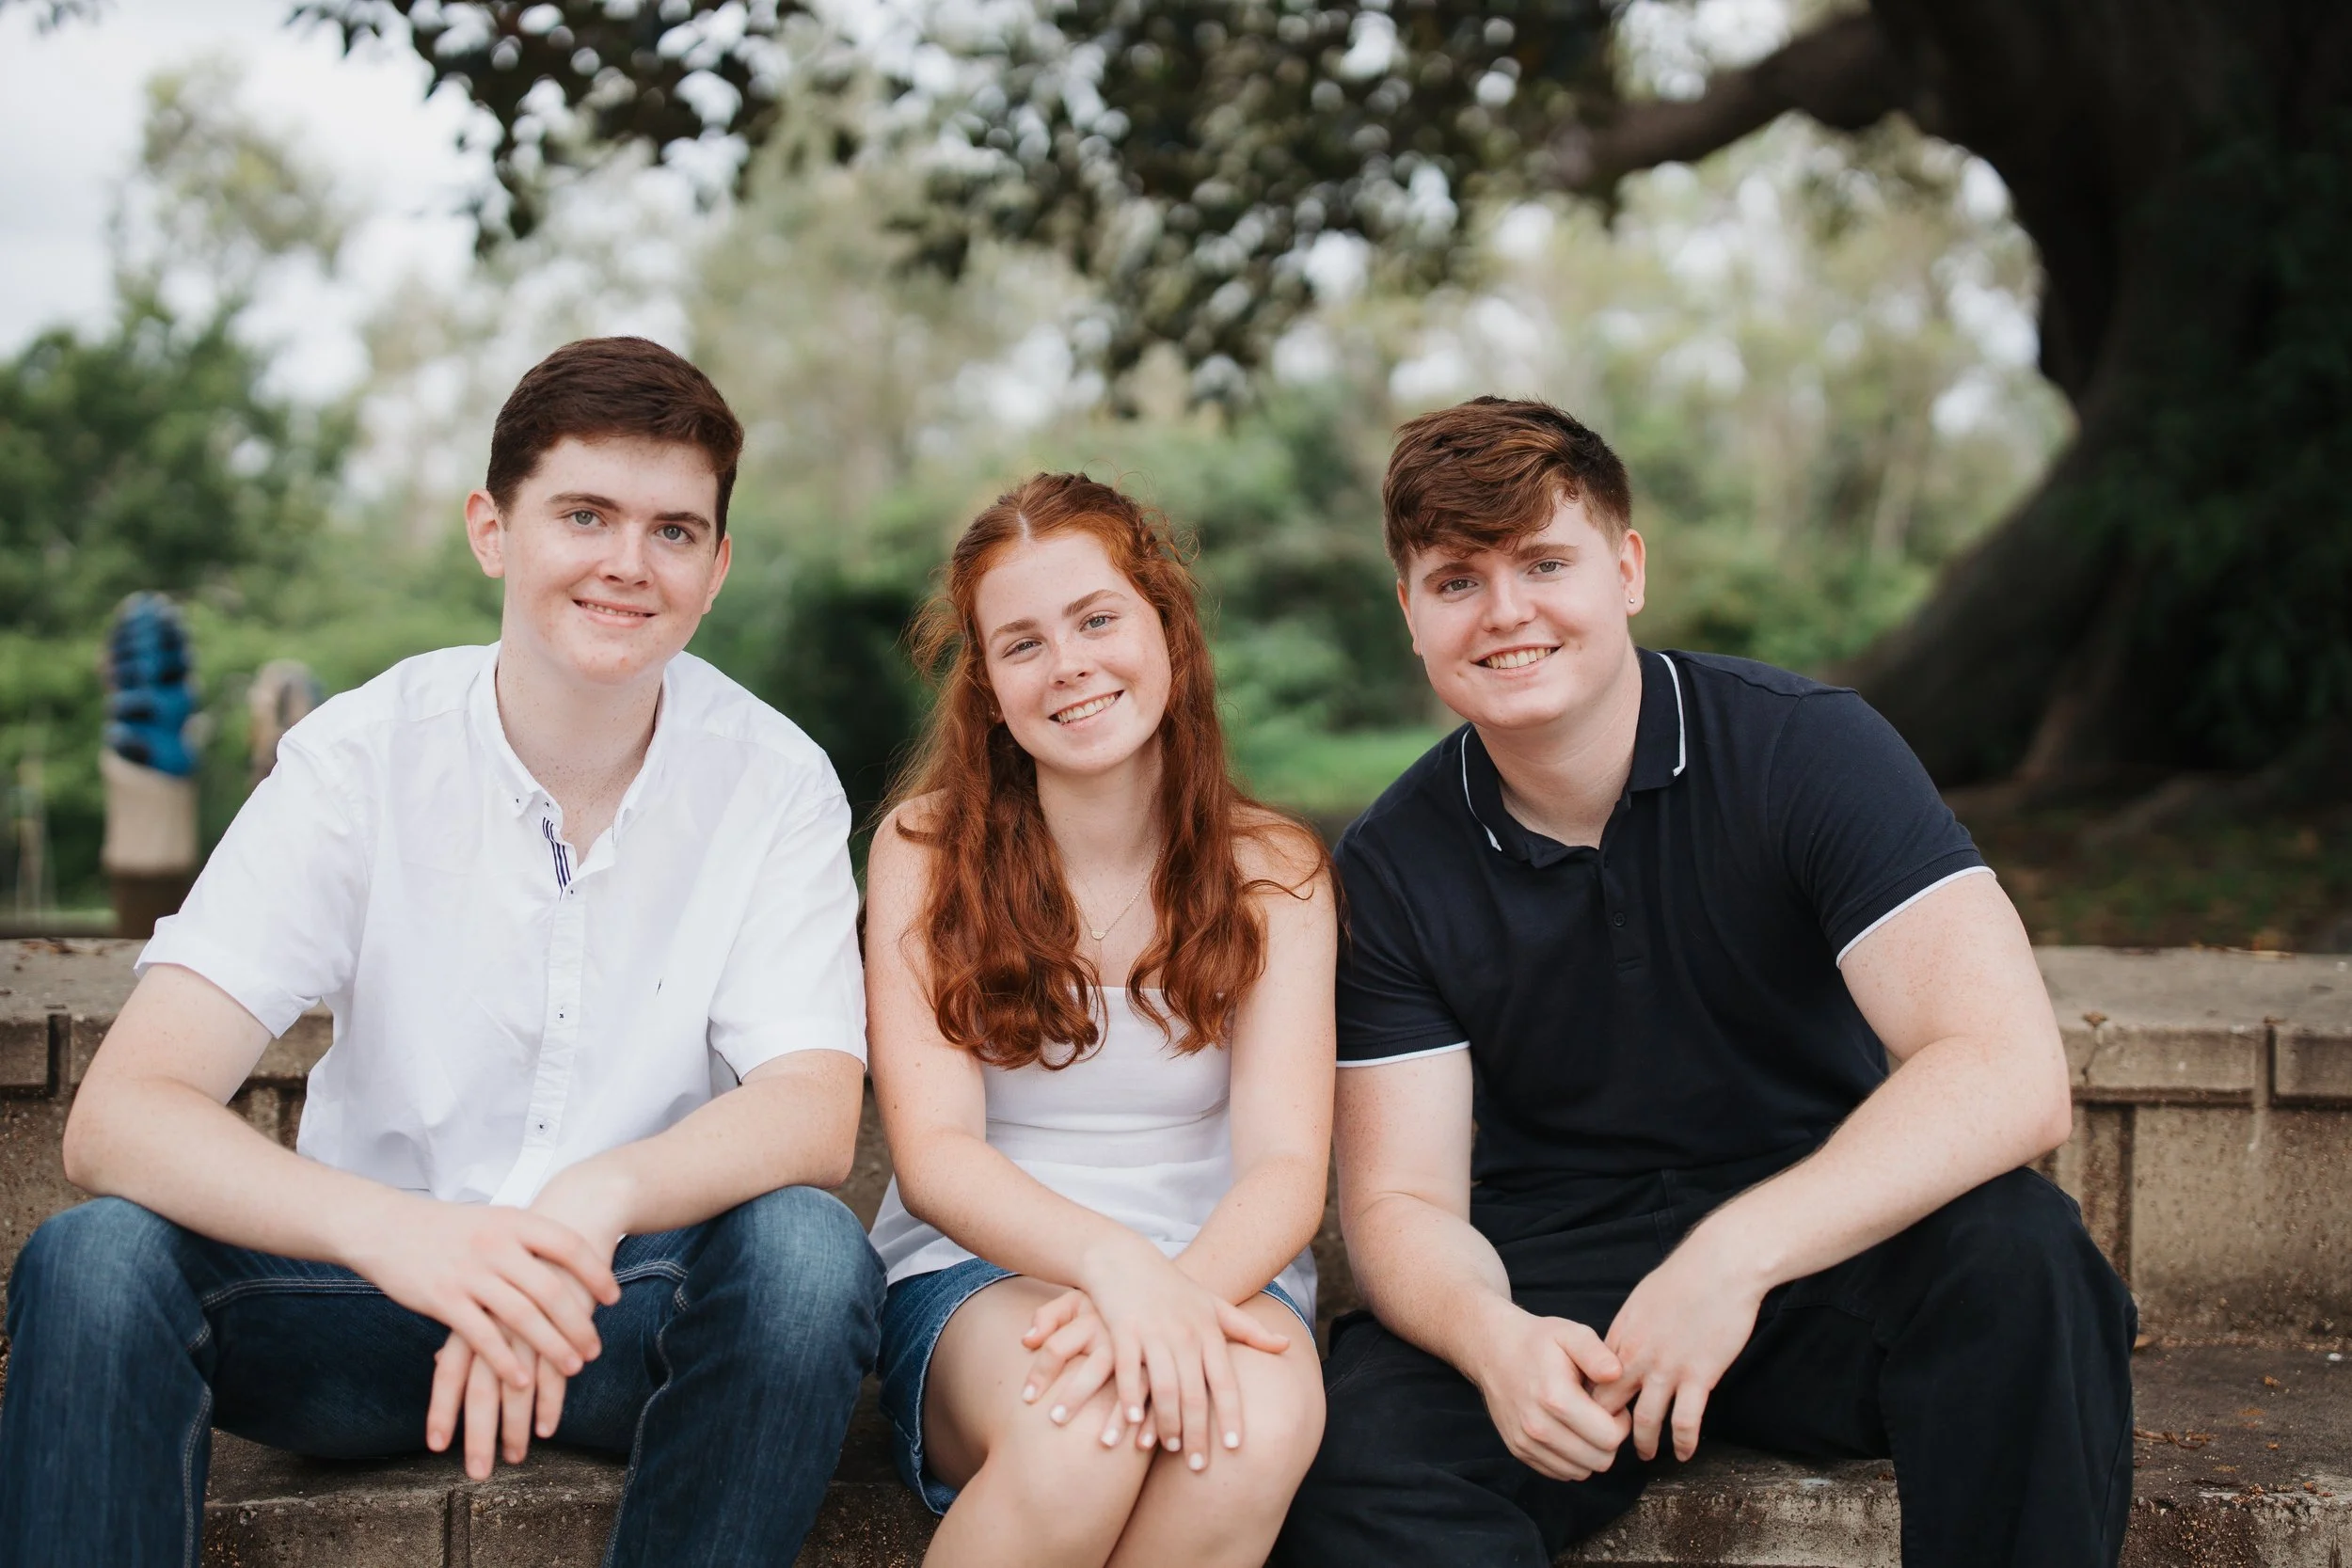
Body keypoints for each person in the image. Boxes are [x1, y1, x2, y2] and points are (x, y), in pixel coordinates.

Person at [0, 338, 882, 1568]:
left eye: (675, 530)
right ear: (492, 528)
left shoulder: (774, 776)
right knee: (93, 1257)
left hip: (617, 1317)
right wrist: (410, 1235)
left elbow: (809, 1108)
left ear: (718, 565)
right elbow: (120, 1118)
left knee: (804, 1253)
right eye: (585, 514)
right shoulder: (361, 757)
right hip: (362, 1314)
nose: (630, 562)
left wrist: (589, 1201)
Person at [1275, 398, 2137, 1568]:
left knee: (2025, 1262)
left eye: (1543, 561)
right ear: (1411, 617)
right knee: (1347, 1461)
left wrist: (1732, 1257)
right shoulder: (1391, 861)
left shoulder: (1806, 748)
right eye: (1457, 580)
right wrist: (1491, 1338)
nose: (1506, 610)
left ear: (1626, 568)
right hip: (1553, 1286)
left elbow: (2009, 1072)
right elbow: (1401, 1208)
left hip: (1818, 1245)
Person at [864, 473, 1335, 1568]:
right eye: (1021, 642)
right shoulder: (924, 852)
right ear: (986, 685)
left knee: (1250, 1429)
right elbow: (935, 1155)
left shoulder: (1274, 871)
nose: (1068, 663)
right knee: (1080, 1430)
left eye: (1095, 618)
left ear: (1164, 628)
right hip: (980, 1267)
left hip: (1224, 1265)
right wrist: (1112, 1269)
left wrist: (1170, 1291)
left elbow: (1282, 1165)